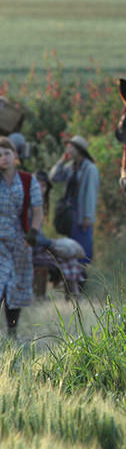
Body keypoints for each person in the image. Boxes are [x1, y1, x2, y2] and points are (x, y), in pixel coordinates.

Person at [0, 137, 43, 336]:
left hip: (19, 240)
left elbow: (38, 209)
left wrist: (33, 233)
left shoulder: (27, 180)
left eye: (7, 153)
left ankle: (12, 331)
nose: (3, 158)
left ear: (14, 156)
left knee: (16, 288)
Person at [49, 135, 98, 264]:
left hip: (82, 211)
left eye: (71, 147)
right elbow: (54, 177)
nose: (68, 150)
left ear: (79, 150)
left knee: (82, 245)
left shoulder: (90, 168)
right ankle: (71, 276)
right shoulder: (71, 166)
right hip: (70, 212)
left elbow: (91, 194)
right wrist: (61, 161)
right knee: (71, 246)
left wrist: (88, 216)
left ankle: (82, 276)